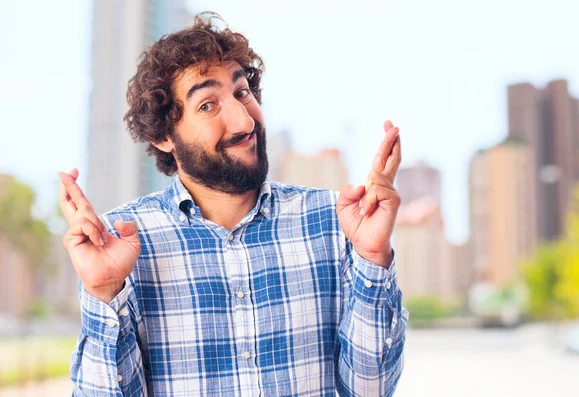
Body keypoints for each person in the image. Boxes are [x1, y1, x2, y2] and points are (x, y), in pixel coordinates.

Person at [59, 13, 408, 397]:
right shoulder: (120, 242)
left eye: (242, 93)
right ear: (163, 136)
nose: (244, 121)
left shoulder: (336, 222)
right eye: (207, 105)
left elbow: (369, 390)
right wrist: (104, 291)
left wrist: (373, 256)